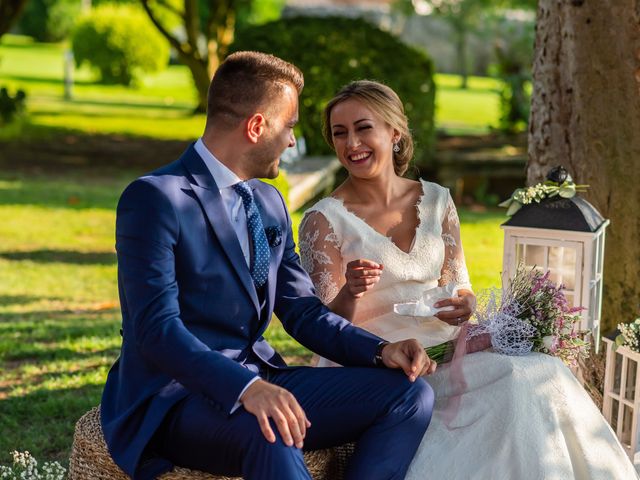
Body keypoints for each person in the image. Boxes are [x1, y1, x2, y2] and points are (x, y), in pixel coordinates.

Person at [100, 53, 438, 480]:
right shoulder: (155, 198)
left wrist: (379, 350)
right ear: (257, 127)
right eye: (290, 125)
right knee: (272, 432)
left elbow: (303, 311)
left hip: (261, 374)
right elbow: (155, 331)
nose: (294, 141)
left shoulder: (269, 202)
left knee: (410, 396)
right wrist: (244, 389)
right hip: (173, 397)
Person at [299, 80, 638, 479]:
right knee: (514, 380)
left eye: (363, 128)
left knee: (545, 373)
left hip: (448, 348)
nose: (352, 143)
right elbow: (324, 326)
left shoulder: (438, 199)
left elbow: (460, 284)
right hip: (379, 363)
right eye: (340, 133)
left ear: (395, 132)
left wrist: (466, 303)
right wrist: (350, 291)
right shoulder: (323, 219)